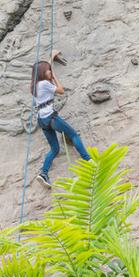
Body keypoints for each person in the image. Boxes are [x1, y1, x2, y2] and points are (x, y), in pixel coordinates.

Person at [31, 51, 91, 188]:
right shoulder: (44, 84)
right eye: (48, 71)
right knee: (73, 134)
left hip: (42, 120)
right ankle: (89, 160)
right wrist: (55, 76)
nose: (50, 72)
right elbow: (61, 90)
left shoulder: (35, 86)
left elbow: (46, 68)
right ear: (42, 73)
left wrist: (51, 58)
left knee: (55, 149)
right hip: (51, 118)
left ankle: (43, 173)